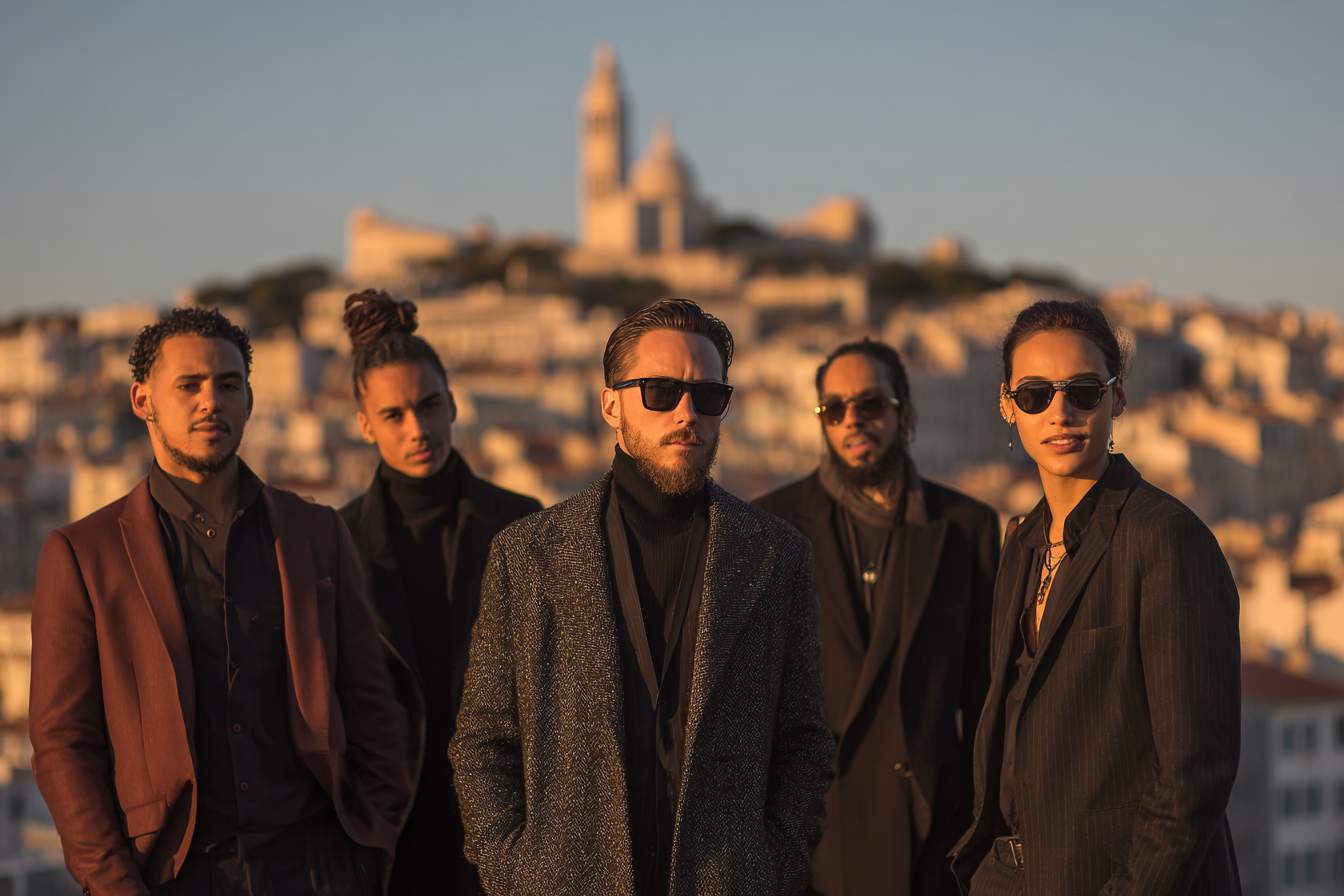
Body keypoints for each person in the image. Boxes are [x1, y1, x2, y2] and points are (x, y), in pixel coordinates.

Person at [450, 298, 834, 896]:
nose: (687, 412)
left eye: (708, 396)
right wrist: (515, 872)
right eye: (660, 391)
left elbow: (805, 741)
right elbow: (483, 742)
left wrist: (772, 868)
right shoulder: (526, 555)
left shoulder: (778, 555)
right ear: (611, 404)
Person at [30, 307, 411, 896]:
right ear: (142, 400)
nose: (212, 401)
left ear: (250, 400)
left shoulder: (316, 532)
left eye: (228, 385)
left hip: (318, 869)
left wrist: (373, 842)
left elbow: (370, 700)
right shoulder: (83, 555)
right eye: (190, 385)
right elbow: (63, 745)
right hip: (175, 875)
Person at [949, 300, 1241, 895]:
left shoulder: (1164, 537)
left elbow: (1194, 773)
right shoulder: (1021, 543)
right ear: (1007, 404)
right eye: (1035, 394)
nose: (1060, 412)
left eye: (1083, 391)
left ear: (1118, 398)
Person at [756, 338, 998, 896]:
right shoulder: (768, 527)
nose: (851, 420)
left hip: (934, 845)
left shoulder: (968, 526)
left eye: (870, 404)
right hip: (816, 846)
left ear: (905, 415)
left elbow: (986, 702)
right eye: (834, 408)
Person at [336, 290, 542, 895]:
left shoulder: (522, 523)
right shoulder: (335, 542)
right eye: (395, 415)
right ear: (364, 424)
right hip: (389, 843)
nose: (419, 428)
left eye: (429, 405)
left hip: (506, 834)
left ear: (453, 404)